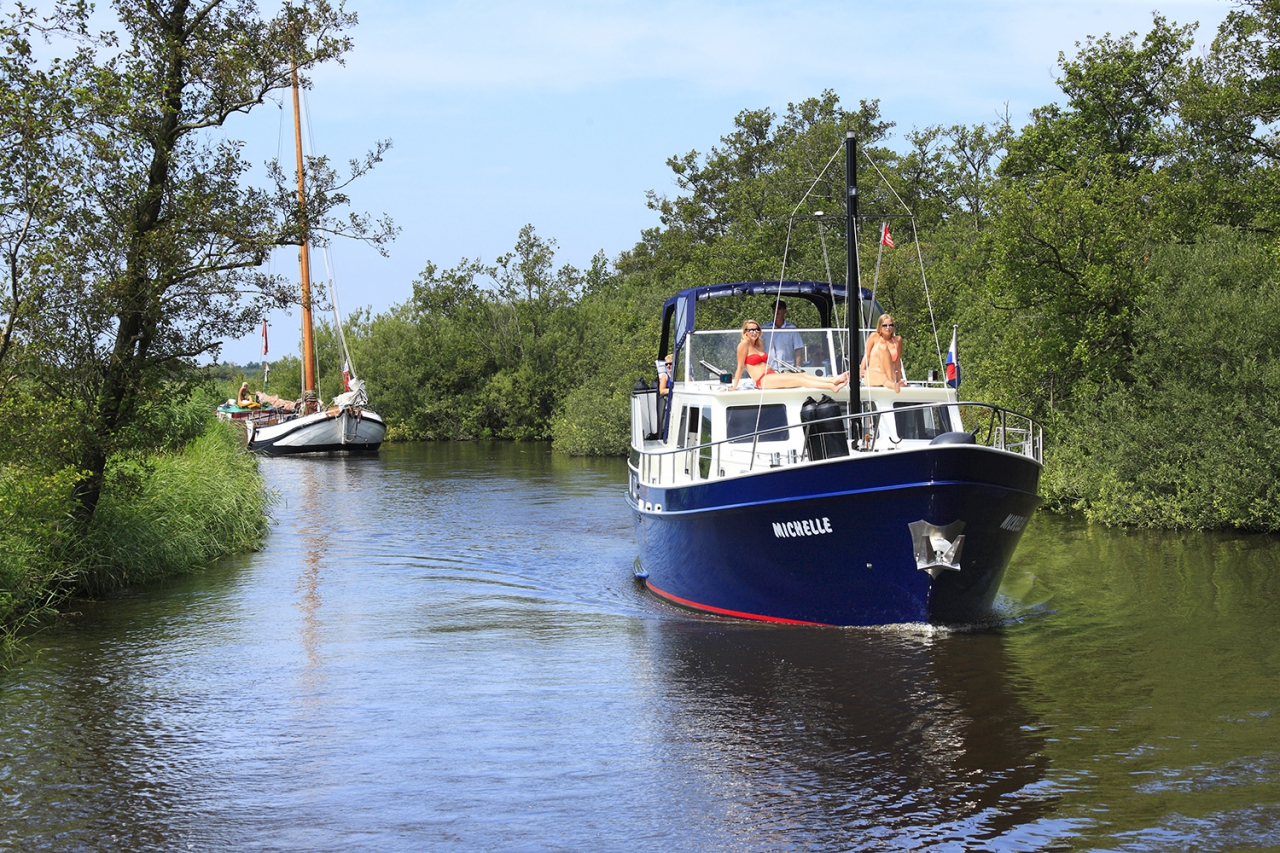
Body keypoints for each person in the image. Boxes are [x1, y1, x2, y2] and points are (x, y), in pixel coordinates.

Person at [732, 319, 849, 392]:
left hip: (771, 374)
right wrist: (733, 387)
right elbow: (740, 367)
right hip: (762, 381)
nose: (754, 332)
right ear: (745, 332)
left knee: (804, 375)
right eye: (751, 330)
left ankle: (833, 380)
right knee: (801, 380)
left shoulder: (760, 343)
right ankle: (832, 386)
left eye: (756, 329)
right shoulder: (743, 345)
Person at [860, 313, 905, 393]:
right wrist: (860, 374)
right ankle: (892, 385)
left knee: (885, 376)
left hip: (890, 374)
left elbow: (898, 362)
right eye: (885, 325)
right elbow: (867, 355)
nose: (888, 328)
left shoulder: (897, 340)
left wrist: (898, 379)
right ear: (880, 326)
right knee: (882, 347)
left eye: (891, 325)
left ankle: (893, 384)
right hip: (874, 372)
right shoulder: (874, 336)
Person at [760, 301, 805, 369]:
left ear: (785, 311)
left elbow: (798, 349)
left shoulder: (792, 328)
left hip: (788, 369)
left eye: (779, 308)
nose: (776, 311)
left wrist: (798, 368)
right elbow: (757, 349)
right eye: (774, 308)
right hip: (768, 369)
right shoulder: (764, 328)